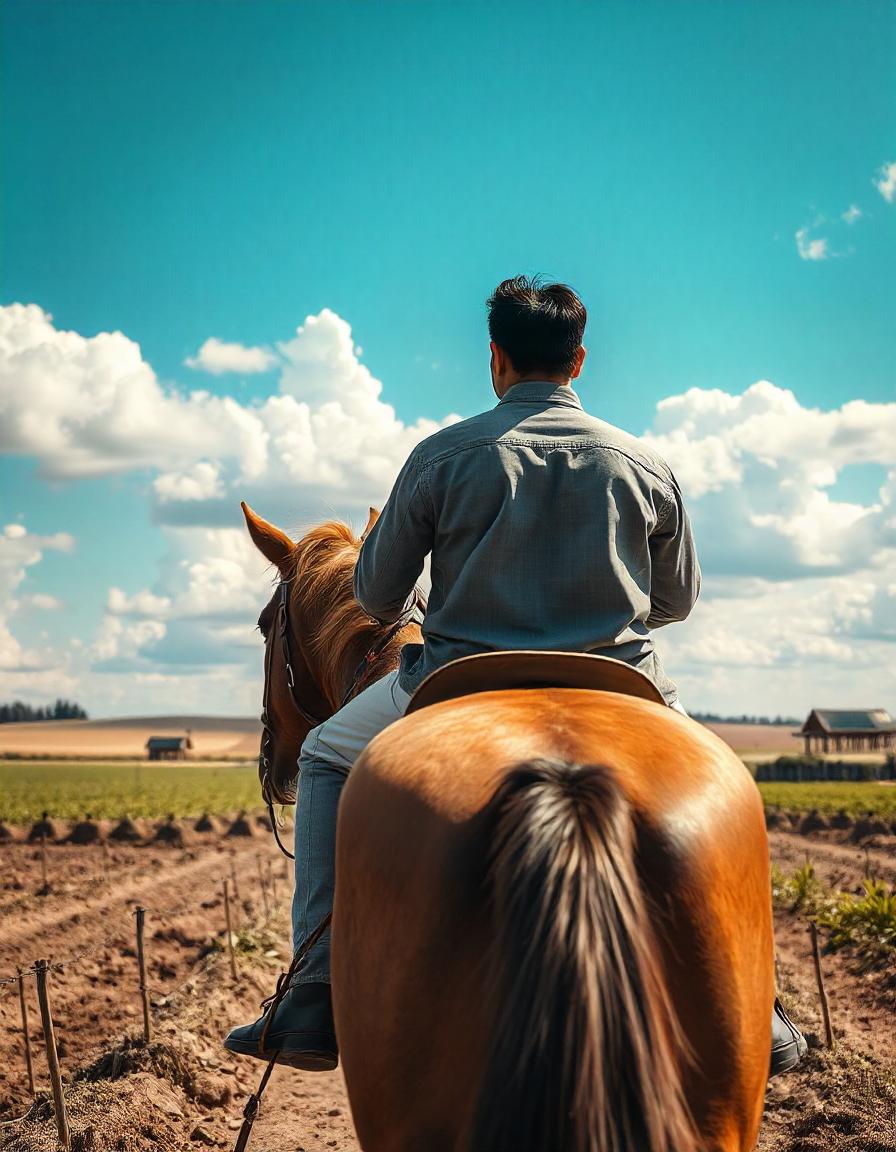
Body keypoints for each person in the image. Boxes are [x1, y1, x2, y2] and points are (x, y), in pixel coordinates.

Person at [224, 275, 806, 1077]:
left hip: (465, 678)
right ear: (580, 359)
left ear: (495, 358)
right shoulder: (647, 464)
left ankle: (314, 990)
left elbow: (374, 596)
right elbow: (676, 602)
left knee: (324, 753)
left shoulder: (440, 457)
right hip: (621, 685)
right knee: (724, 792)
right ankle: (761, 1004)